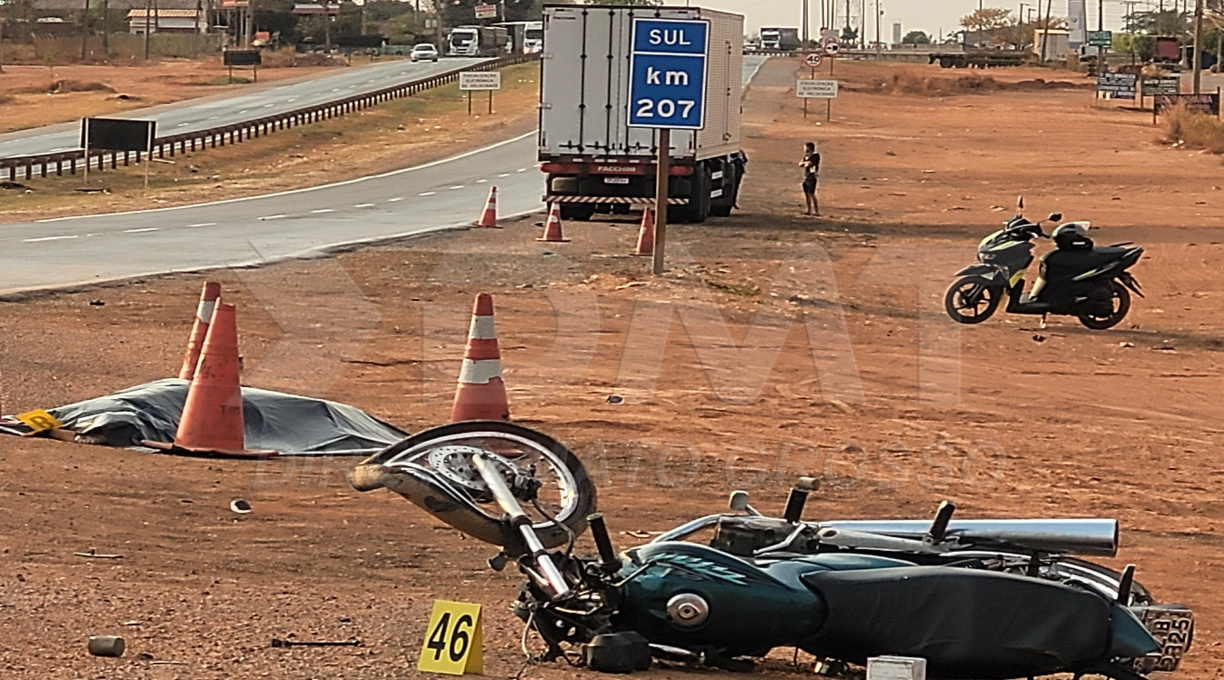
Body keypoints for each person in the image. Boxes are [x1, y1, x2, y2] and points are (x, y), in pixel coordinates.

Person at [798, 141, 820, 216]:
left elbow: (809, 164)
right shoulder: (807, 155)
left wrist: (805, 163)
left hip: (812, 176)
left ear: (809, 147)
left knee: (812, 193)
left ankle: (816, 211)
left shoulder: (815, 156)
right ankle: (809, 210)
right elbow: (800, 163)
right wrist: (805, 163)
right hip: (806, 176)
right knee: (806, 193)